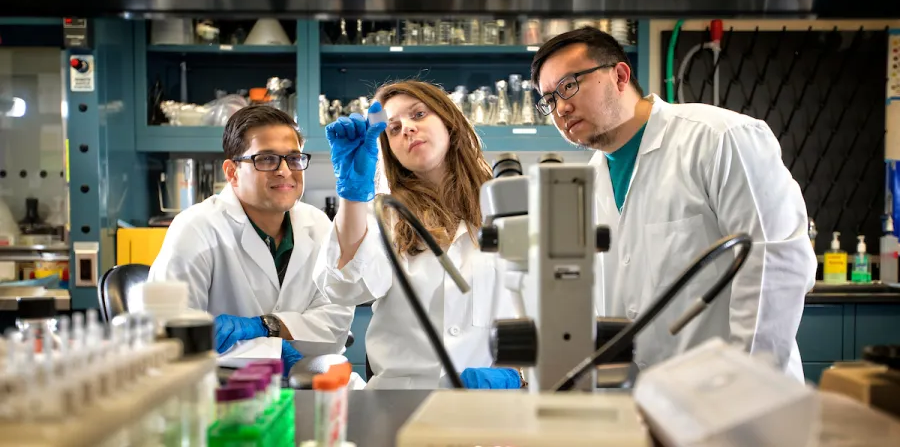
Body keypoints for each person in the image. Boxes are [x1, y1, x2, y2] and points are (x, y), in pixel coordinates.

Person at [530, 26, 816, 382]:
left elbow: (775, 266)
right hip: (653, 404)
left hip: (739, 401)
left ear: (619, 76)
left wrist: (747, 386)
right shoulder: (590, 182)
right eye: (549, 99)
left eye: (569, 85)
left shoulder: (720, 138)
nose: (561, 108)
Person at [314, 80, 521, 389]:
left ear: (449, 122)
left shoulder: (508, 206)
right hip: (401, 402)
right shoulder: (386, 215)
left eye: (419, 114)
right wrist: (354, 197)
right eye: (393, 129)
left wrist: (517, 374)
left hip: (489, 404)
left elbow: (539, 309)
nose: (407, 129)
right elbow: (345, 288)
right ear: (388, 149)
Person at [148, 105, 354, 376]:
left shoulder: (317, 224)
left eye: (293, 158)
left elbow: (336, 324)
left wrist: (269, 326)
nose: (284, 171)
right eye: (266, 159)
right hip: (223, 389)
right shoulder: (196, 228)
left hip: (307, 382)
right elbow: (167, 336)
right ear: (232, 172)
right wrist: (270, 351)